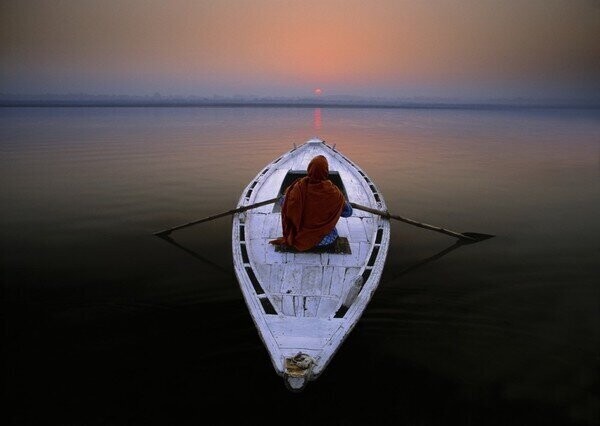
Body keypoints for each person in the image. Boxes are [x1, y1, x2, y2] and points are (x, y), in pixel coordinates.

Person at [270, 155, 353, 251]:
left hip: (299, 239)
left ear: (309, 169)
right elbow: (348, 213)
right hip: (327, 241)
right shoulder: (334, 193)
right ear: (326, 171)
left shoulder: (297, 188)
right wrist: (342, 202)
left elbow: (284, 204)